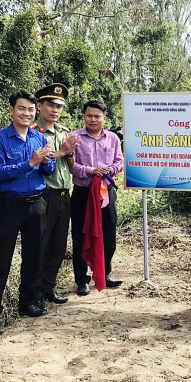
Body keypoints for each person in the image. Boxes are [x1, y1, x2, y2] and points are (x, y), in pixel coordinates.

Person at [0, 91, 56, 330]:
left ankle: (29, 300)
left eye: (31, 109)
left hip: (36, 203)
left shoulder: (38, 137)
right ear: (11, 110)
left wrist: (47, 161)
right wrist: (31, 163)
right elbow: (1, 174)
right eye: (22, 109)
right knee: (2, 258)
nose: (27, 114)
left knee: (34, 255)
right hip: (10, 205)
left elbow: (50, 169)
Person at [70, 100, 125, 295]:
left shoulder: (112, 138)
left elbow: (120, 161)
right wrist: (93, 171)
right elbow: (72, 166)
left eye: (97, 116)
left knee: (109, 235)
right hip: (83, 194)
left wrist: (109, 170)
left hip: (106, 194)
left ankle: (105, 273)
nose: (93, 119)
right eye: (89, 115)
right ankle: (82, 280)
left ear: (104, 118)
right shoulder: (74, 138)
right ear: (84, 116)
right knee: (81, 236)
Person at [34, 83, 80, 305]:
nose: (55, 110)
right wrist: (63, 152)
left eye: (59, 106)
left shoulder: (63, 132)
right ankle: (35, 292)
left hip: (64, 194)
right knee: (40, 244)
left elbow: (71, 166)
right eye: (50, 105)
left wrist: (70, 154)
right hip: (45, 194)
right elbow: (38, 161)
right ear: (39, 105)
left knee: (58, 245)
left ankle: (49, 288)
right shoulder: (33, 132)